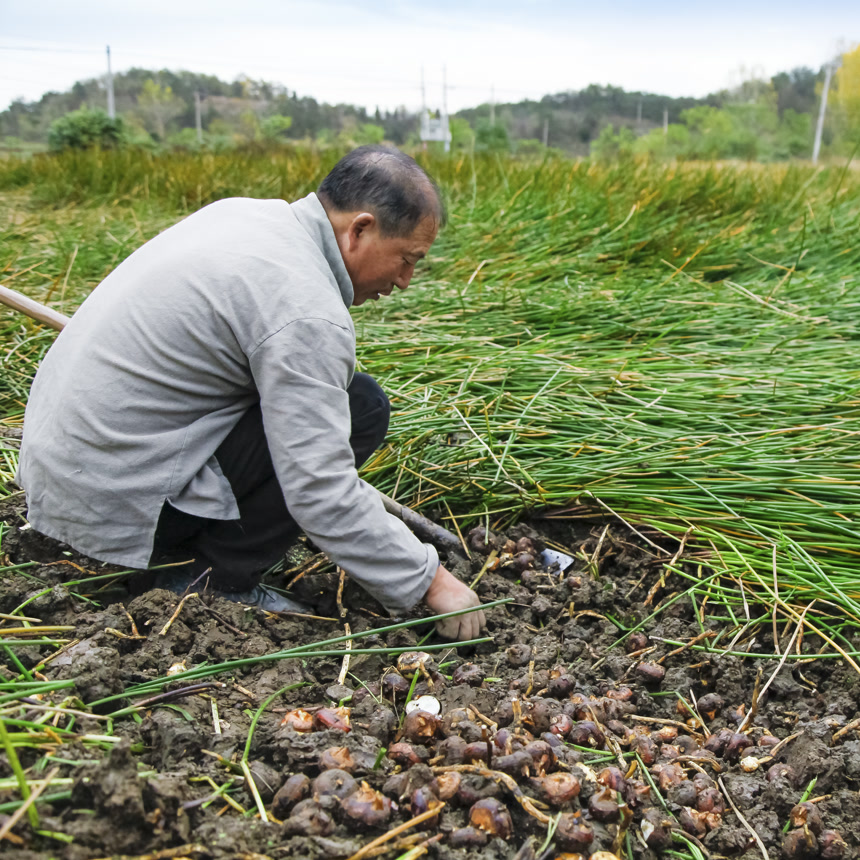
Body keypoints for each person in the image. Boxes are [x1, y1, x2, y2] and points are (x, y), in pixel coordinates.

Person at [16, 145, 485, 641]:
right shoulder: (306, 310)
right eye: (407, 259)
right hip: (114, 505)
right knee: (361, 407)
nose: (406, 281)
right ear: (361, 229)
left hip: (59, 478)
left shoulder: (241, 215)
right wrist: (431, 582)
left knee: (338, 402)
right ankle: (213, 580)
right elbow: (319, 487)